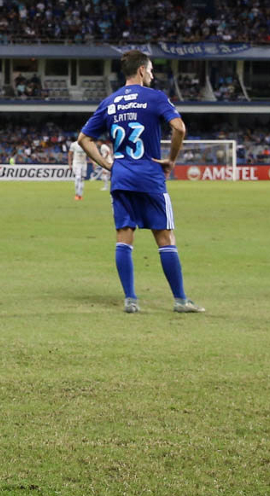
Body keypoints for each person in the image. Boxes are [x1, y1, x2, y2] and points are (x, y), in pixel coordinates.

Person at [78, 50, 204, 314]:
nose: (152, 75)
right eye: (151, 70)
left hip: (122, 177)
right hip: (149, 176)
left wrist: (107, 165)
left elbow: (83, 139)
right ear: (141, 71)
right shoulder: (155, 97)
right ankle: (180, 300)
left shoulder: (110, 102)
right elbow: (179, 128)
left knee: (124, 236)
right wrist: (171, 159)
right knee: (165, 236)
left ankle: (131, 299)